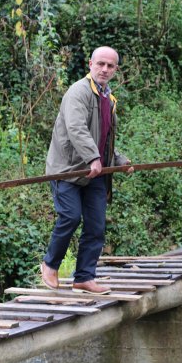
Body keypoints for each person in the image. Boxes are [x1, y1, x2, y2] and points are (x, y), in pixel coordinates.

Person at [40, 46, 133, 294]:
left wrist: (119, 160)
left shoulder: (108, 98)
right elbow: (77, 129)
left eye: (110, 66)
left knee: (96, 225)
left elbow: (103, 140)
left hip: (95, 171)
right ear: (90, 64)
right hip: (68, 169)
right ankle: (50, 265)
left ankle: (84, 276)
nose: (104, 69)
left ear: (115, 70)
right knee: (70, 216)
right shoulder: (78, 92)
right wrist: (92, 157)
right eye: (100, 64)